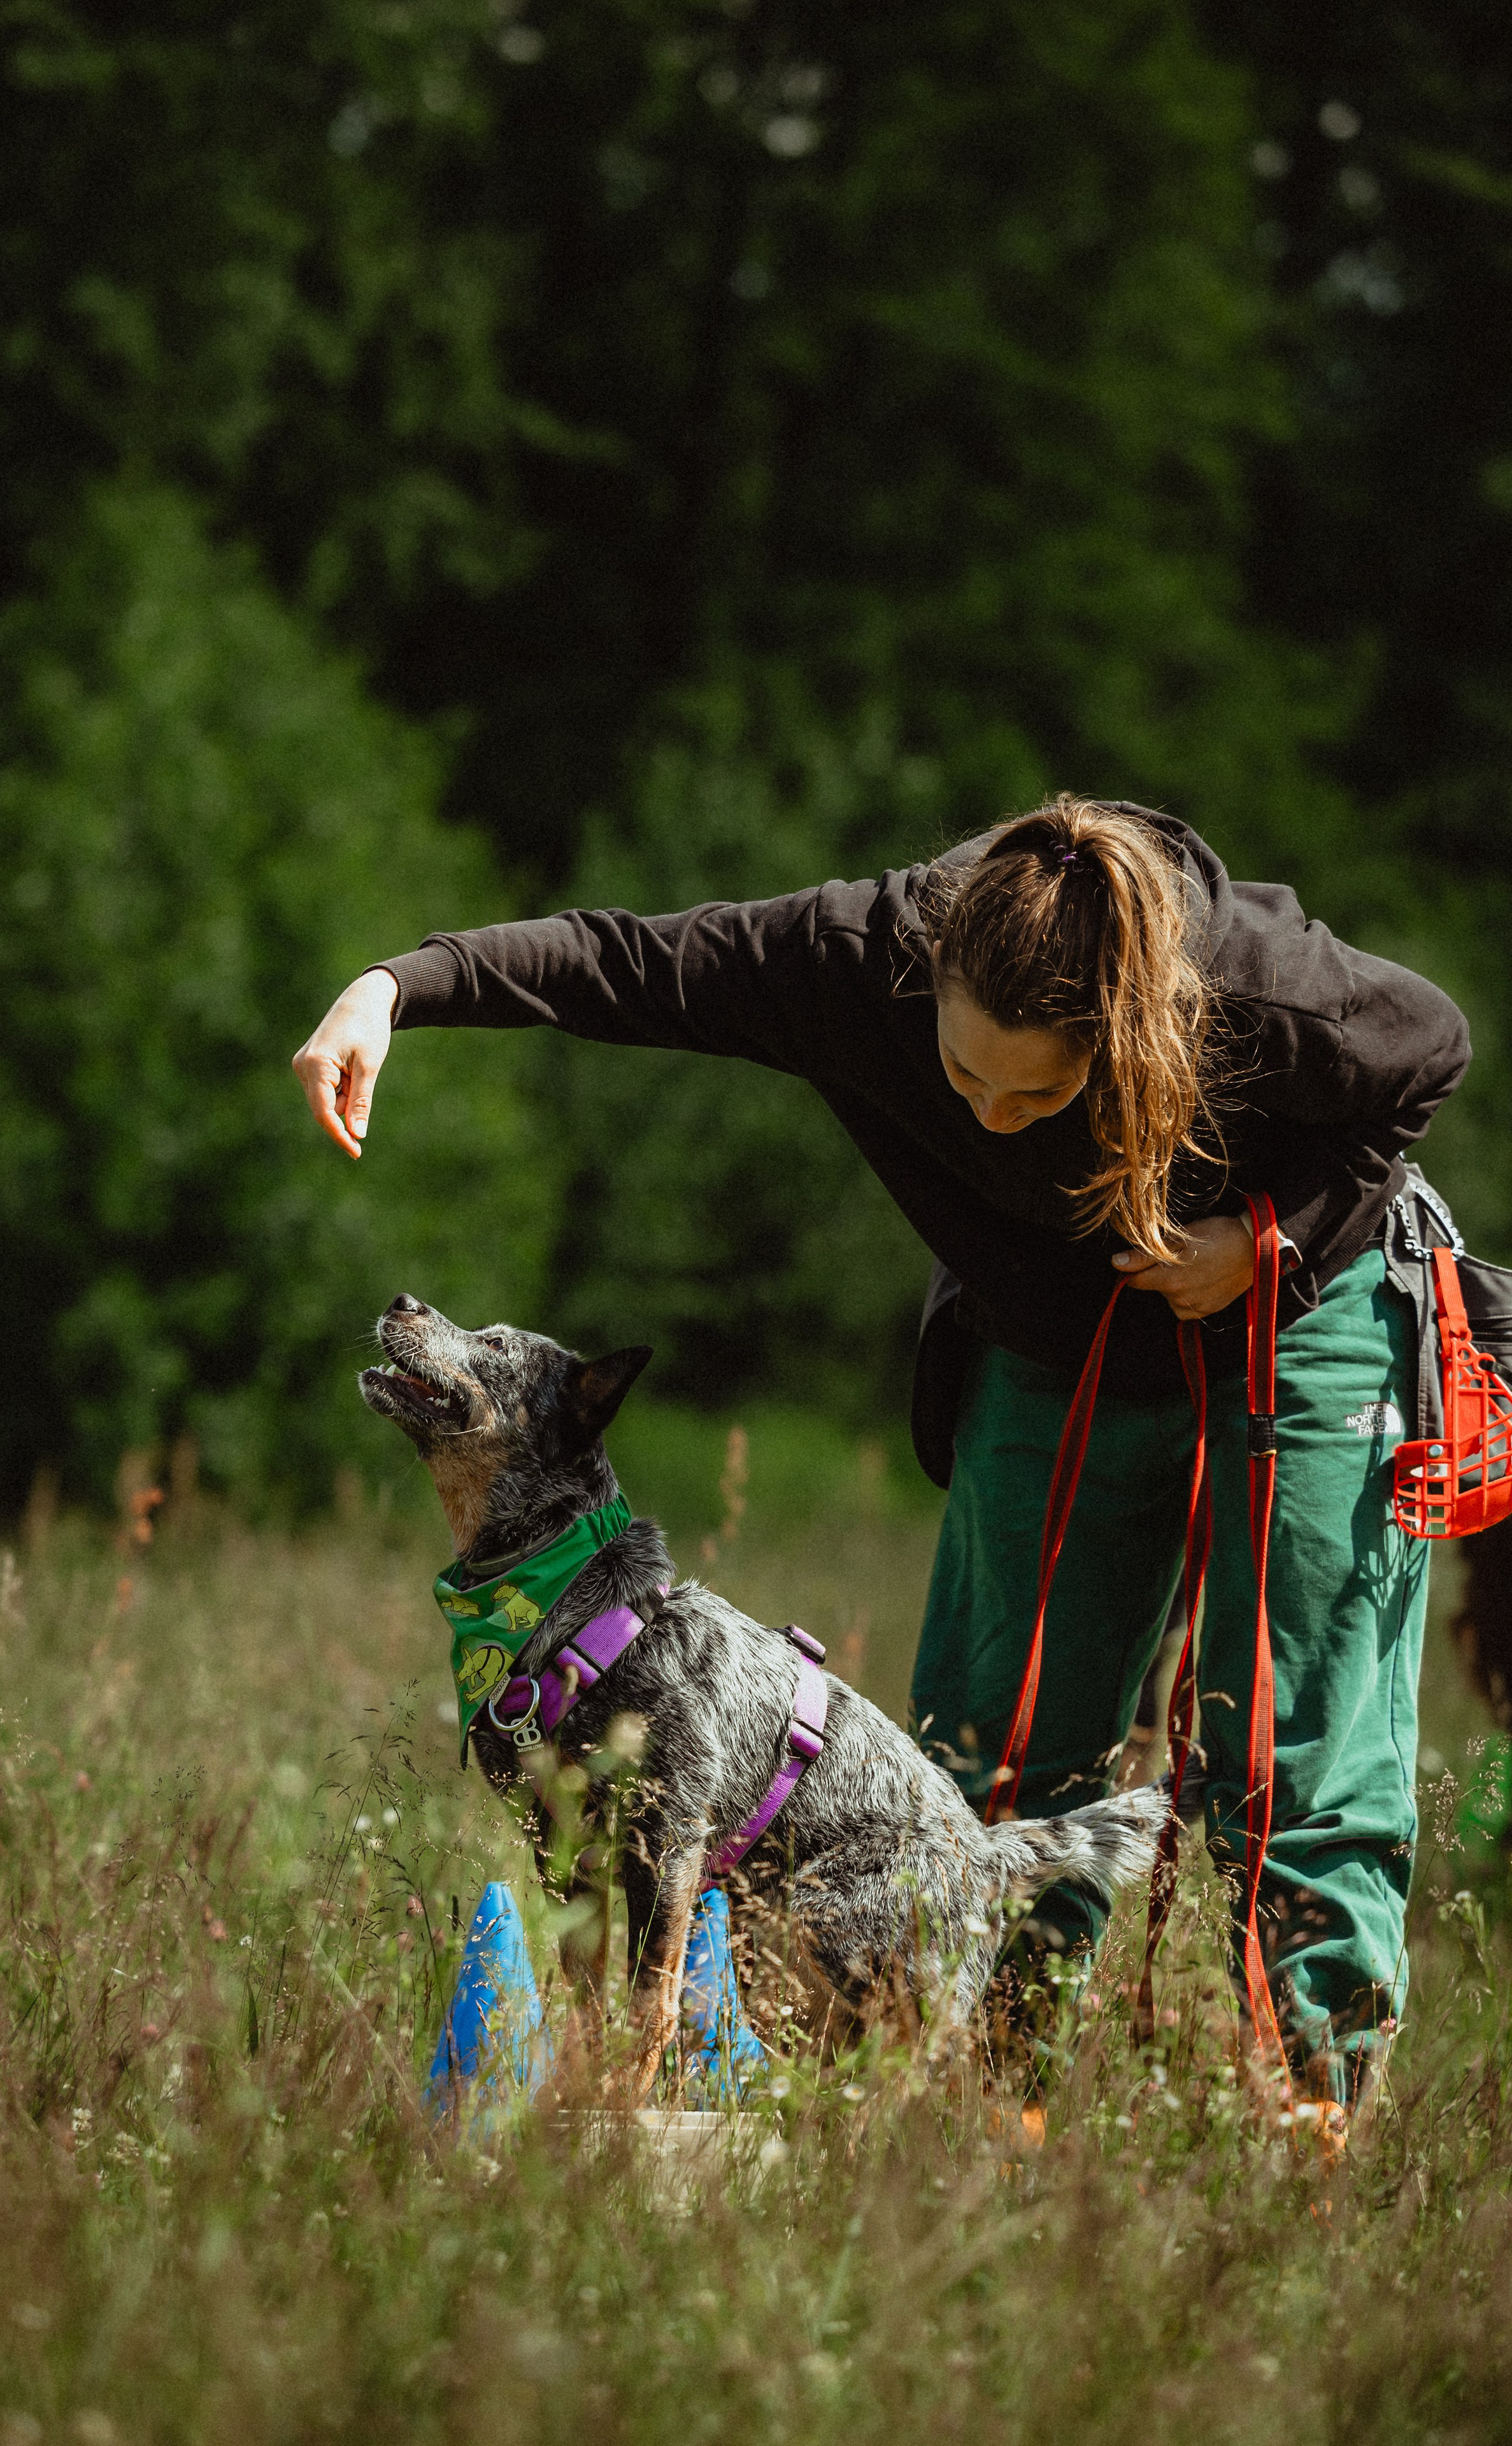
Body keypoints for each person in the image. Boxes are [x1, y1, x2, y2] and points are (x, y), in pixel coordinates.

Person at [294, 795, 1469, 2106]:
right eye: (963, 1078)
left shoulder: (1261, 991)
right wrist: (391, 989)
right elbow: (622, 960)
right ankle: (985, 2115)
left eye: (1039, 1088)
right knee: (989, 1753)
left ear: (1121, 1033)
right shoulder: (848, 962)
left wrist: (1268, 1233)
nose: (995, 1116)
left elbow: (1432, 1048)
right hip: (1045, 1334)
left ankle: (1307, 2116)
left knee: (1288, 1757)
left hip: (1298, 1306)